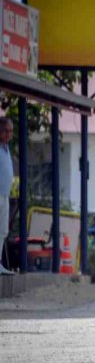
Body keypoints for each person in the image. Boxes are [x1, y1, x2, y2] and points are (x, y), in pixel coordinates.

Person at [0, 117, 15, 275]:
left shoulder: (6, 148)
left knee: (3, 230)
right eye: (5, 131)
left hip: (4, 194)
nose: (8, 135)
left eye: (10, 131)